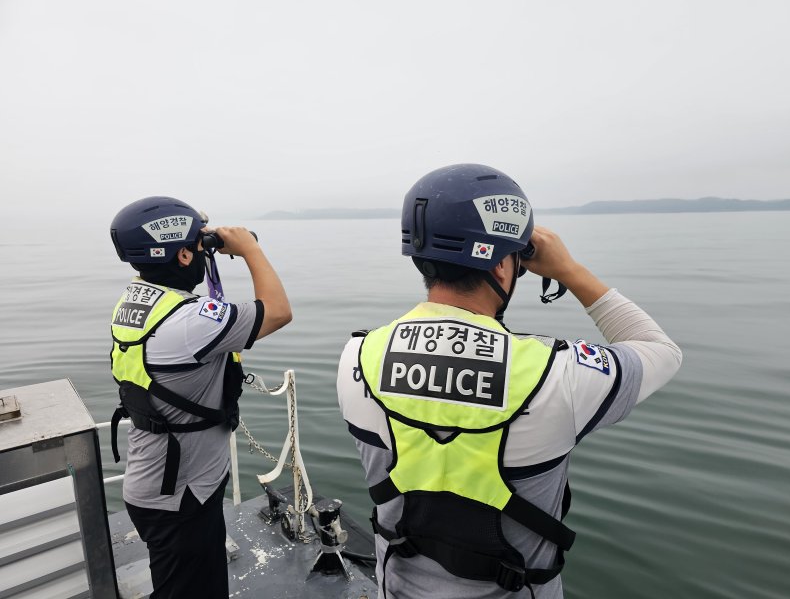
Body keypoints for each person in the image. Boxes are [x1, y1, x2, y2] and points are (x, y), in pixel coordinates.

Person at [336, 164, 682, 599]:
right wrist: (570, 271)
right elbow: (660, 351)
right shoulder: (558, 373)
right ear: (503, 264)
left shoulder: (356, 357)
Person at [108, 196, 291, 598]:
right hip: (181, 496)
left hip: (157, 482)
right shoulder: (188, 321)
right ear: (185, 254)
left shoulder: (137, 301)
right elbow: (277, 311)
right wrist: (249, 250)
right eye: (195, 244)